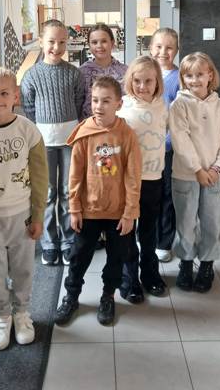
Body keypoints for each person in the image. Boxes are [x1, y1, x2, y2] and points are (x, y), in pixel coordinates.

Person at [54, 76, 142, 326]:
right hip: (89, 211)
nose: (99, 106)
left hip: (118, 212)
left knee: (116, 258)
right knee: (78, 257)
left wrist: (130, 213)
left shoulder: (127, 135)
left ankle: (108, 296)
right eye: (95, 100)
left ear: (118, 104)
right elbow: (74, 175)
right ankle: (71, 296)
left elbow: (133, 176)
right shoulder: (84, 133)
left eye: (105, 101)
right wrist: (74, 208)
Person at [0, 67, 49, 350]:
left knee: (22, 269)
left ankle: (22, 312)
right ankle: (2, 316)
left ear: (16, 96)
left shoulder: (28, 130)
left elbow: (40, 178)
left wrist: (38, 215)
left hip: (22, 216)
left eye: (4, 93)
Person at [170, 52, 220, 293]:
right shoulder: (179, 105)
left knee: (211, 222)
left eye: (200, 74)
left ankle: (207, 264)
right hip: (186, 175)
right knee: (186, 222)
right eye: (188, 75)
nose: (194, 80)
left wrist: (218, 167)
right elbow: (181, 140)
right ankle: (186, 263)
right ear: (183, 78)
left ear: (210, 75)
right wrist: (197, 169)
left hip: (214, 176)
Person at [21, 19, 84, 266]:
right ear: (40, 42)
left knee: (68, 191)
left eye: (62, 42)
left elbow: (79, 102)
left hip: (70, 141)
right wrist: (40, 132)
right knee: (47, 193)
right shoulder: (32, 75)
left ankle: (68, 241)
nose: (56, 47)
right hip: (43, 143)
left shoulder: (74, 73)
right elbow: (28, 108)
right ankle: (49, 242)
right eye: (51, 42)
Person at [117, 56, 168, 303]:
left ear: (157, 81)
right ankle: (129, 279)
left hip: (153, 178)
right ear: (130, 81)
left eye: (148, 81)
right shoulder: (123, 108)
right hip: (127, 181)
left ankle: (150, 273)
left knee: (149, 230)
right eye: (137, 81)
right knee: (127, 232)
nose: (142, 86)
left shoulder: (162, 106)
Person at [149, 27, 180, 263]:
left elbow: (180, 117)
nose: (163, 51)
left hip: (169, 148)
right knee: (148, 193)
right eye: (159, 46)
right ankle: (147, 236)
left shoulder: (180, 79)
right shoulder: (144, 73)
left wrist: (166, 142)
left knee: (168, 194)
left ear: (176, 50)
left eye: (169, 48)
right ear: (151, 48)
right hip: (145, 148)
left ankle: (164, 242)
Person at [79, 23, 127, 119]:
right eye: (94, 42)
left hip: (118, 124)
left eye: (104, 41)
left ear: (112, 43)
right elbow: (78, 103)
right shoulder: (81, 72)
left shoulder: (125, 71)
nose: (99, 46)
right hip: (90, 124)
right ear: (89, 45)